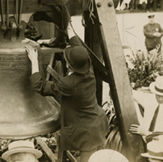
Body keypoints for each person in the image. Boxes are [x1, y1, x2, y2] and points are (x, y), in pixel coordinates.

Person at [27, 22, 108, 162]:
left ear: (69, 65)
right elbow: (79, 47)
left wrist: (34, 61)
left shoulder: (68, 84)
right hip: (97, 121)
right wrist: (68, 26)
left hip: (86, 132)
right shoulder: (88, 69)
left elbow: (40, 86)